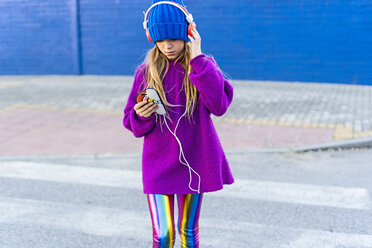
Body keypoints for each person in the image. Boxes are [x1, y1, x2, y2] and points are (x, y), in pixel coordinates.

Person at [122, 0, 234, 247]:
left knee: (187, 233)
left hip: (194, 162)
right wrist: (141, 114)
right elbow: (132, 124)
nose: (167, 45)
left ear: (188, 33)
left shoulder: (203, 66)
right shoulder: (146, 72)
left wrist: (198, 59)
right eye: (160, 40)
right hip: (157, 164)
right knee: (163, 235)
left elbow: (219, 105)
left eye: (173, 37)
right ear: (152, 37)